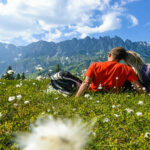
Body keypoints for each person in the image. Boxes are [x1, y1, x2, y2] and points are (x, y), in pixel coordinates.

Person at [75, 47, 144, 97]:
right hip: (114, 96)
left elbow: (86, 83)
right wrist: (145, 97)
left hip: (94, 95)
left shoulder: (94, 65)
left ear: (109, 55)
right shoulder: (127, 69)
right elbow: (137, 86)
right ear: (121, 59)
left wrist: (77, 98)